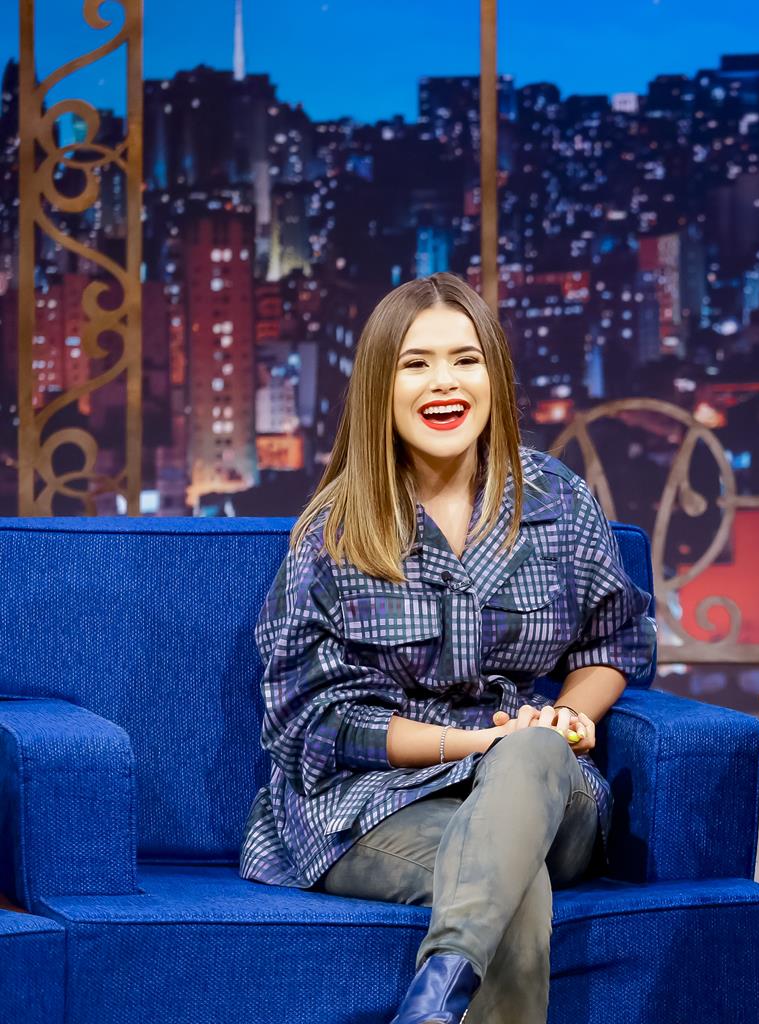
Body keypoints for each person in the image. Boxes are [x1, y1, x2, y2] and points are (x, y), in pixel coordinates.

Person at [238, 272, 655, 1024]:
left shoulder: (557, 500)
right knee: (509, 883)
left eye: (465, 360)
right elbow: (310, 722)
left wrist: (566, 716)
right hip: (376, 806)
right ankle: (438, 1001)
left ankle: (431, 1006)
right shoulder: (337, 531)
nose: (445, 383)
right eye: (415, 363)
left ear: (494, 375)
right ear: (380, 386)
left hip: (542, 794)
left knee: (531, 754)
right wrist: (465, 744)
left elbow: (617, 637)